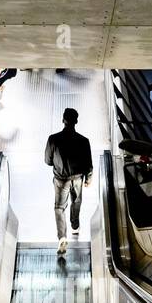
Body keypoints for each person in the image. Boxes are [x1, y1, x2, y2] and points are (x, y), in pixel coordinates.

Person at [44, 107, 93, 256]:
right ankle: (75, 225)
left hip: (60, 179)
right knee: (76, 202)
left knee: (59, 208)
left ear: (63, 120)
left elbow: (47, 161)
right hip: (77, 178)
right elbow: (88, 163)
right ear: (76, 121)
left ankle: (62, 237)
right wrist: (88, 178)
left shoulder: (53, 139)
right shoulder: (84, 141)